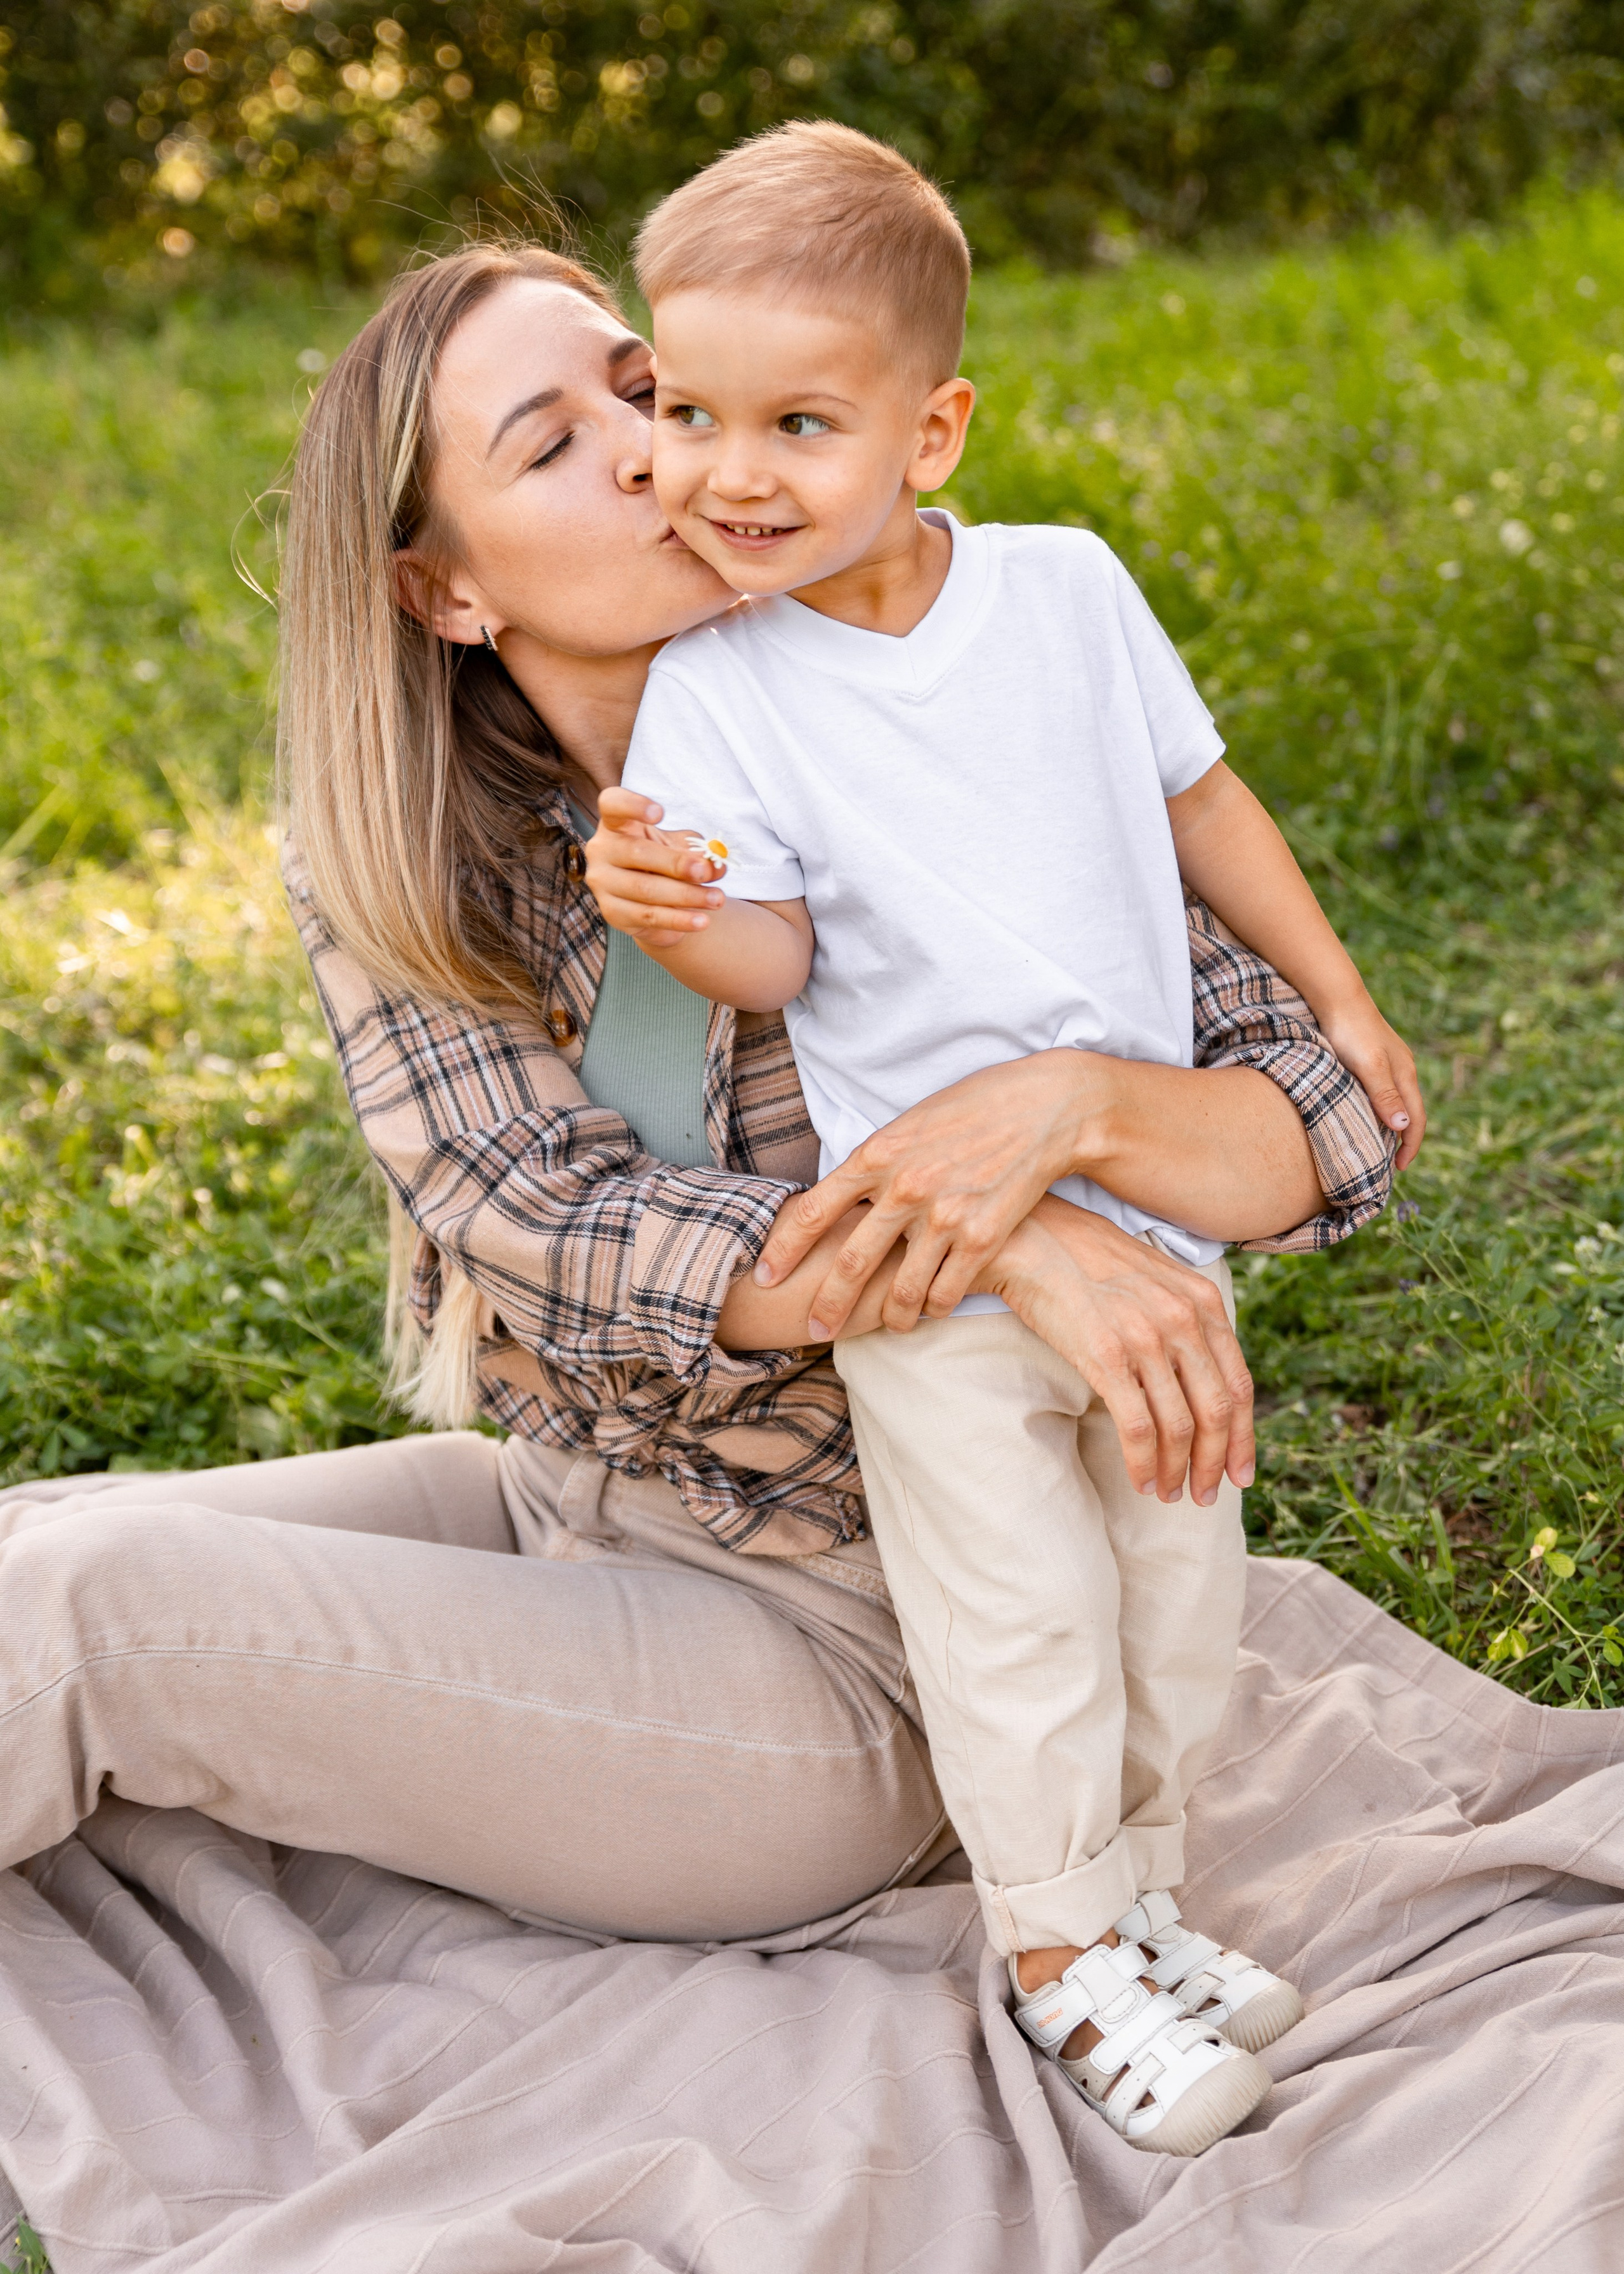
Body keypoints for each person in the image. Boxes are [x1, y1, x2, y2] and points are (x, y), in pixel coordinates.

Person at [0, 242, 1389, 2042]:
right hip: (592, 1501)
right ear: (445, 596)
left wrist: (1074, 1112)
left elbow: (1323, 1115)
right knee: (37, 1542)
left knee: (101, 1617)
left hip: (871, 1651)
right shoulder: (429, 855)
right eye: (554, 444)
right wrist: (1005, 1230)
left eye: (640, 389)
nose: (650, 452)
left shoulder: (931, 703)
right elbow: (553, 1223)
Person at [585, 125, 1420, 2155]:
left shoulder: (1066, 596)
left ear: (931, 430)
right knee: (1017, 1615)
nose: (727, 472)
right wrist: (685, 922)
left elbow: (1199, 803)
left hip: (1154, 1222)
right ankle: (1058, 1963)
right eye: (686, 414)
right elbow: (775, 967)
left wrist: (1338, 998)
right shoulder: (719, 690)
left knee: (1175, 1592)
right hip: (938, 1262)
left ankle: (1141, 1903)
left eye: (797, 420)